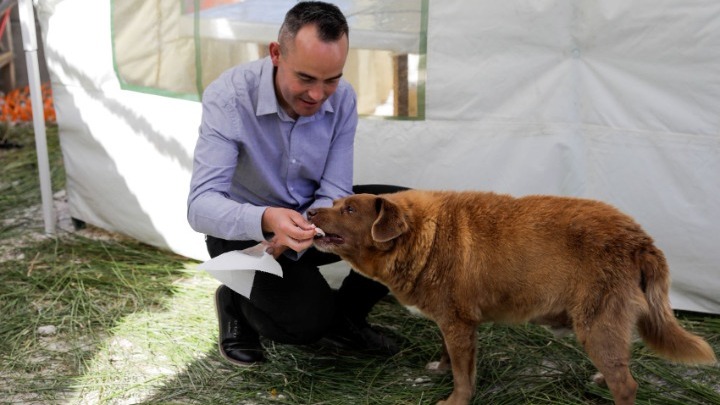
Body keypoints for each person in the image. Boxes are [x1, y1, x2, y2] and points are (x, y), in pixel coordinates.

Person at [187, 1, 406, 366]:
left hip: (311, 220)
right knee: (304, 326)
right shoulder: (228, 97)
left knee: (406, 213)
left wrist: (307, 224)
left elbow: (335, 189)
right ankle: (235, 300)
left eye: (331, 79)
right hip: (245, 236)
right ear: (276, 54)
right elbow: (200, 206)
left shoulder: (345, 98)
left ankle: (346, 318)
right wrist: (269, 219)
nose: (318, 95)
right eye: (305, 78)